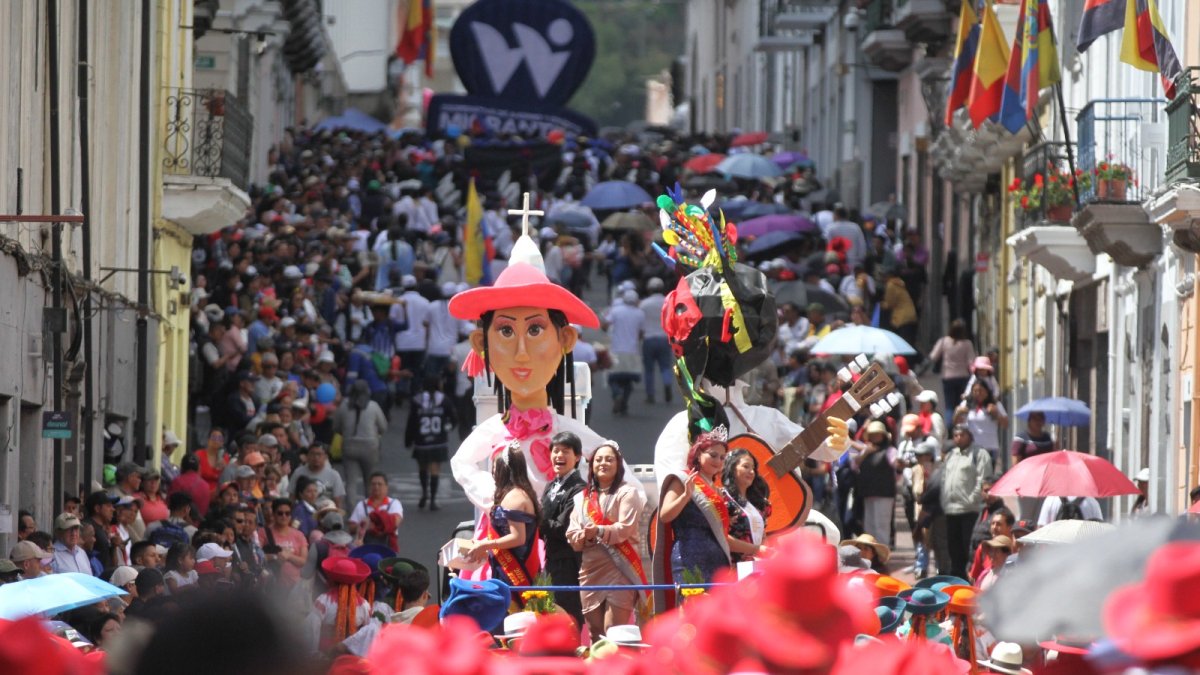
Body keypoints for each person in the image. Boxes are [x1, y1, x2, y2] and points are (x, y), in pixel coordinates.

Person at [567, 441, 647, 641]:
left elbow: (625, 529)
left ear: (618, 465)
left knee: (613, 630)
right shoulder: (581, 498)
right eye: (599, 459)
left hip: (620, 568)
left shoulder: (627, 492)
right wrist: (583, 536)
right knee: (595, 633)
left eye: (609, 459)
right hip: (590, 570)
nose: (603, 463)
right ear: (592, 464)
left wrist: (598, 530)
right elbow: (572, 531)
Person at [658, 428, 732, 587]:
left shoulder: (716, 489)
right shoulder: (683, 479)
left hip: (718, 562)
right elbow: (665, 515)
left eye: (722, 457)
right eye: (713, 455)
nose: (718, 461)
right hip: (690, 558)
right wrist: (685, 496)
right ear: (699, 454)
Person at [460, 445, 541, 587]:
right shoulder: (512, 493)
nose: (492, 472)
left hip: (517, 568)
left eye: (495, 467)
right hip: (504, 563)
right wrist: (480, 545)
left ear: (504, 469)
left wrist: (485, 544)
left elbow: (518, 537)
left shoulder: (516, 496)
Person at [540, 431, 586, 630]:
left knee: (568, 613)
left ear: (577, 457)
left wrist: (534, 519)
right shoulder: (551, 485)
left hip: (569, 562)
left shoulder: (579, 488)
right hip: (551, 559)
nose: (559, 456)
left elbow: (562, 527)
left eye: (565, 451)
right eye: (555, 451)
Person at [941, 425, 993, 580]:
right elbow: (945, 478)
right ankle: (955, 582)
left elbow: (983, 478)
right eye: (955, 435)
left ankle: (969, 581)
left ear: (970, 436)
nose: (958, 438)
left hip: (970, 510)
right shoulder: (951, 455)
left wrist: (972, 498)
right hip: (951, 510)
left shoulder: (979, 454)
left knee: (967, 549)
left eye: (962, 435)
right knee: (953, 550)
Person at [333, 380, 389, 509]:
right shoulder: (373, 406)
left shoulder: (344, 406)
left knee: (351, 481)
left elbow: (336, 427)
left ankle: (353, 511)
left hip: (349, 446)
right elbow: (383, 427)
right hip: (370, 447)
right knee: (370, 480)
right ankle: (370, 509)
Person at [405, 376, 457, 510]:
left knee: (422, 468)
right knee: (435, 470)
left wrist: (408, 439)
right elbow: (454, 418)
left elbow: (412, 422)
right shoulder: (444, 400)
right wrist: (447, 428)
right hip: (438, 441)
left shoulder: (417, 400)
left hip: (421, 441)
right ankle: (433, 500)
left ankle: (424, 494)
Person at [853, 420, 901, 546]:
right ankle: (871, 554)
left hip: (884, 493)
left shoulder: (890, 451)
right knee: (869, 526)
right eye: (872, 434)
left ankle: (882, 553)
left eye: (877, 434)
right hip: (868, 493)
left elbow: (897, 465)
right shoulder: (866, 450)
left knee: (881, 526)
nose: (874, 437)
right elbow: (854, 465)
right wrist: (866, 453)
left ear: (883, 436)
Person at [721, 448, 771, 563]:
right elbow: (721, 537)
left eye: (753, 468)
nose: (751, 471)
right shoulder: (722, 498)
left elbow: (762, 535)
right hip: (731, 567)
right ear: (733, 469)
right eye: (746, 466)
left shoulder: (757, 502)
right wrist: (756, 549)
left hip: (757, 566)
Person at [604, 290, 644, 415]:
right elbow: (641, 333)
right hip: (632, 351)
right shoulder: (640, 313)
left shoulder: (616, 311)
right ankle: (624, 403)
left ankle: (617, 394)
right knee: (628, 380)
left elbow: (605, 324)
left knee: (612, 378)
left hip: (616, 349)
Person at [929, 319, 977, 418]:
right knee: (962, 404)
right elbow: (971, 362)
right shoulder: (967, 344)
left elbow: (933, 356)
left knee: (949, 406)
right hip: (963, 377)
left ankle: (950, 426)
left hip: (948, 377)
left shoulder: (944, 341)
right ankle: (961, 426)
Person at [259, 497, 309, 587]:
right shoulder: (263, 532)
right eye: (280, 513)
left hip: (294, 587)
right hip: (271, 586)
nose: (284, 516)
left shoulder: (299, 535)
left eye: (287, 513)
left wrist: (289, 556)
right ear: (273, 514)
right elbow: (257, 556)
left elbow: (303, 561)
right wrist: (275, 556)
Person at [955, 381, 1008, 462]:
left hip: (990, 447)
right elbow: (956, 424)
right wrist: (958, 413)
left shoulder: (995, 404)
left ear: (987, 392)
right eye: (975, 391)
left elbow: (1006, 424)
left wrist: (996, 415)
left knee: (987, 474)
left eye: (981, 390)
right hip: (972, 448)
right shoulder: (966, 404)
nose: (978, 393)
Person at [349, 473, 404, 551]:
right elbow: (351, 528)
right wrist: (363, 525)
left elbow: (396, 522)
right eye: (373, 484)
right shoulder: (361, 505)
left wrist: (374, 524)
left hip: (387, 546)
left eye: (380, 484)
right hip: (365, 546)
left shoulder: (394, 503)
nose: (376, 487)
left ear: (386, 487)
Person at [640, 277, 673, 404]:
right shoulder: (668, 302)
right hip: (664, 338)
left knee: (649, 369)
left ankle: (650, 394)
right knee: (665, 366)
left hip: (648, 339)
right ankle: (667, 383)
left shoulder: (644, 304)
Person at [291, 444, 347, 509]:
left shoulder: (334, 475)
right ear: (307, 456)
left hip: (326, 510)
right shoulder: (298, 472)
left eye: (319, 454)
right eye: (312, 454)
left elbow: (338, 501)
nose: (316, 457)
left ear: (325, 457)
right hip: (304, 510)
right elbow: (292, 497)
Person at [969, 506, 1014, 583]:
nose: (994, 527)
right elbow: (974, 576)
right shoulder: (983, 548)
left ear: (1009, 527)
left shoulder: (1015, 549)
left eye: (999, 524)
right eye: (993, 523)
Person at [83, 490, 118, 571]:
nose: (113, 509)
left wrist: (114, 546)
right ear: (97, 508)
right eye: (109, 506)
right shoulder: (88, 527)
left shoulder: (102, 529)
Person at [1037, 494, 1103, 526]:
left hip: (1055, 551)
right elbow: (1100, 532)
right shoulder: (1092, 502)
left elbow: (1040, 530)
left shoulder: (1051, 499)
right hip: (1082, 550)